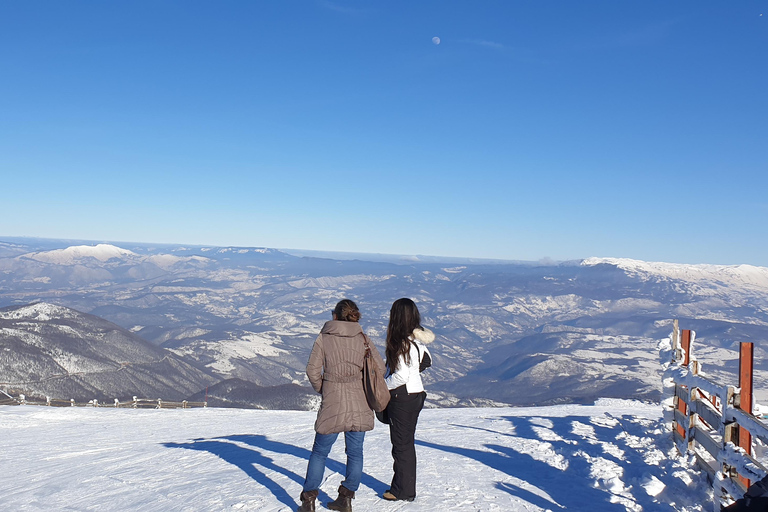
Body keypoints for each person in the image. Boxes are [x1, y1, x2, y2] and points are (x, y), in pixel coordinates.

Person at [298, 299, 386, 512]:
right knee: (355, 453)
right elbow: (380, 368)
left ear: (334, 316)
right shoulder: (363, 338)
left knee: (320, 453)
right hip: (360, 402)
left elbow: (312, 371)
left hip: (333, 403)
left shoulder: (324, 338)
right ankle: (345, 499)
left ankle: (309, 501)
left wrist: (324, 388)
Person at [382, 298, 434, 502]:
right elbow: (427, 360)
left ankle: (402, 491)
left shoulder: (400, 342)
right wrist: (415, 372)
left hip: (402, 397)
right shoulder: (415, 340)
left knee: (401, 446)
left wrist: (382, 386)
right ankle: (403, 487)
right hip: (416, 395)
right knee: (406, 444)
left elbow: (400, 376)